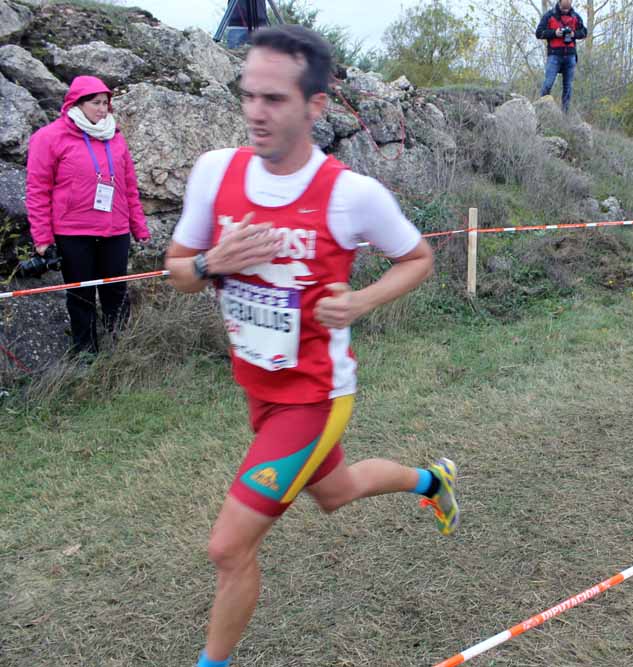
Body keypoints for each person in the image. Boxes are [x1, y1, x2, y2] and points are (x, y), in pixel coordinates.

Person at [163, 26, 458, 667]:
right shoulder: (216, 171)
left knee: (229, 546)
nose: (255, 113)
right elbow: (178, 271)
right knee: (336, 492)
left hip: (315, 397)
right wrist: (215, 260)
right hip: (256, 387)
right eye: (248, 96)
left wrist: (361, 300)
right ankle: (431, 481)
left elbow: (418, 258)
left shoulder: (352, 195)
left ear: (314, 106)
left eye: (274, 99)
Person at [25, 76, 150, 355]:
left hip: (115, 230)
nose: (103, 109)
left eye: (106, 103)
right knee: (80, 296)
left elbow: (129, 186)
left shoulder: (115, 137)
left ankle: (121, 352)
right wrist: (42, 238)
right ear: (76, 103)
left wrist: (138, 227)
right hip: (73, 232)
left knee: (115, 293)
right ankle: (85, 355)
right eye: (96, 103)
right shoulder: (49, 137)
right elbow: (37, 190)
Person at [535, 0, 588, 113]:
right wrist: (554, 33)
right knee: (548, 84)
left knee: (568, 88)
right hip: (554, 55)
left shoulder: (575, 16)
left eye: (570, 0)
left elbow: (584, 32)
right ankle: (541, 110)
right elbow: (539, 33)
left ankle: (565, 115)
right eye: (566, 0)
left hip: (570, 56)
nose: (568, 2)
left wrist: (574, 34)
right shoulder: (549, 15)